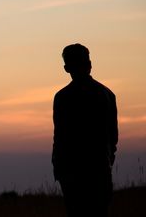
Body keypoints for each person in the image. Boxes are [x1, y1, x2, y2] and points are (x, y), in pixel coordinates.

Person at [52, 44, 118, 217]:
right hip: (97, 170)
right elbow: (113, 137)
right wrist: (107, 161)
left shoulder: (62, 97)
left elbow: (59, 137)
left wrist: (58, 168)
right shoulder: (107, 94)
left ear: (66, 68)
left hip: (75, 173)